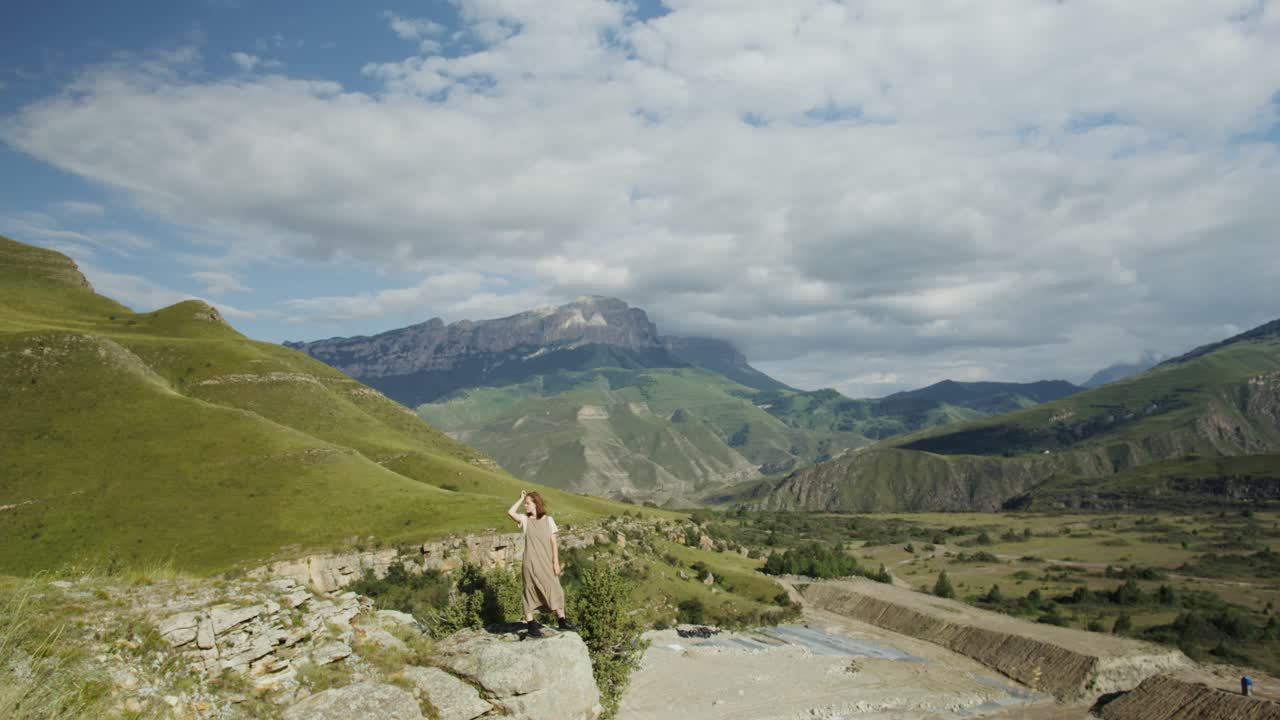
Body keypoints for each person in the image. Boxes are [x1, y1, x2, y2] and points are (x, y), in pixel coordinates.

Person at [507, 490, 576, 634]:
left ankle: (562, 621)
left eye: (528, 503)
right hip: (530, 563)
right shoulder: (525, 520)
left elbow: (553, 542)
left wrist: (556, 562)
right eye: (525, 503)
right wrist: (520, 499)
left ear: (536, 504)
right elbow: (511, 512)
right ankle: (531, 624)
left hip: (546, 562)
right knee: (530, 590)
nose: (525, 506)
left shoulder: (548, 520)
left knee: (556, 589)